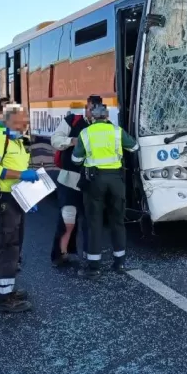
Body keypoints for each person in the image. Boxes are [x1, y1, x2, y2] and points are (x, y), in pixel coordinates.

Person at [0, 104, 39, 312]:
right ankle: (5, 299)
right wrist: (21, 175)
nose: (26, 123)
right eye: (22, 120)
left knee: (15, 246)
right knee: (6, 247)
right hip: (3, 200)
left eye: (27, 120)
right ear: (9, 120)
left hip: (17, 198)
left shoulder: (18, 140)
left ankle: (8, 289)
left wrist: (30, 197)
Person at [72, 102, 139, 277]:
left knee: (94, 222)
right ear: (107, 116)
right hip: (116, 180)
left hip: (95, 181)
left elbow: (76, 159)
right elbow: (134, 147)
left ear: (92, 117)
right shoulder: (117, 131)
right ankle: (120, 263)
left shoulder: (85, 133)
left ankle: (94, 267)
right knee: (117, 221)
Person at [49, 95, 101, 268]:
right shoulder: (72, 120)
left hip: (91, 179)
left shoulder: (103, 126)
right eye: (90, 108)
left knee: (90, 219)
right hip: (69, 178)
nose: (93, 112)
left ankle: (89, 255)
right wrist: (72, 141)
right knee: (67, 219)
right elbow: (55, 140)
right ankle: (60, 254)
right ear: (86, 107)